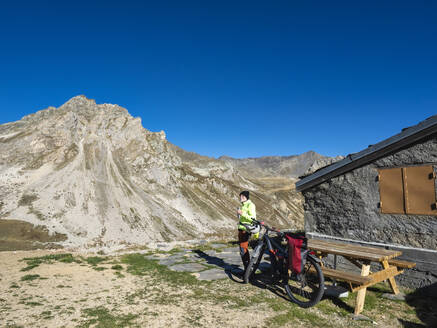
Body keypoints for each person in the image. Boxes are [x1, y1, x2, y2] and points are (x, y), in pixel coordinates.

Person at [237, 190, 258, 271]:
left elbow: (253, 218)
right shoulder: (243, 205)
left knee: (243, 249)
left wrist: (242, 214)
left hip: (246, 230)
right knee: (242, 249)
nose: (241, 198)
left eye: (242, 196)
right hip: (241, 229)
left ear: (246, 197)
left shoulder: (250, 205)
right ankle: (247, 269)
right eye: (240, 196)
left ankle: (248, 270)